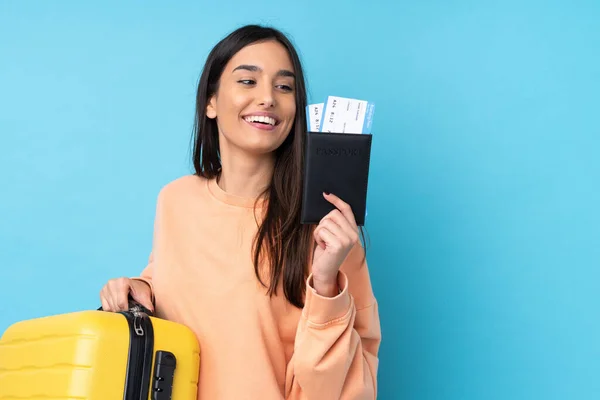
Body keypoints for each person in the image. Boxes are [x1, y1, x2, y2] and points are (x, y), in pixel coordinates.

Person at [99, 24, 381, 399]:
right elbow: (177, 288)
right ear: (210, 102)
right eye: (248, 81)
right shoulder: (175, 201)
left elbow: (347, 391)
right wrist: (138, 288)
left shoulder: (328, 230)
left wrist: (327, 285)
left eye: (284, 87)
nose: (268, 98)